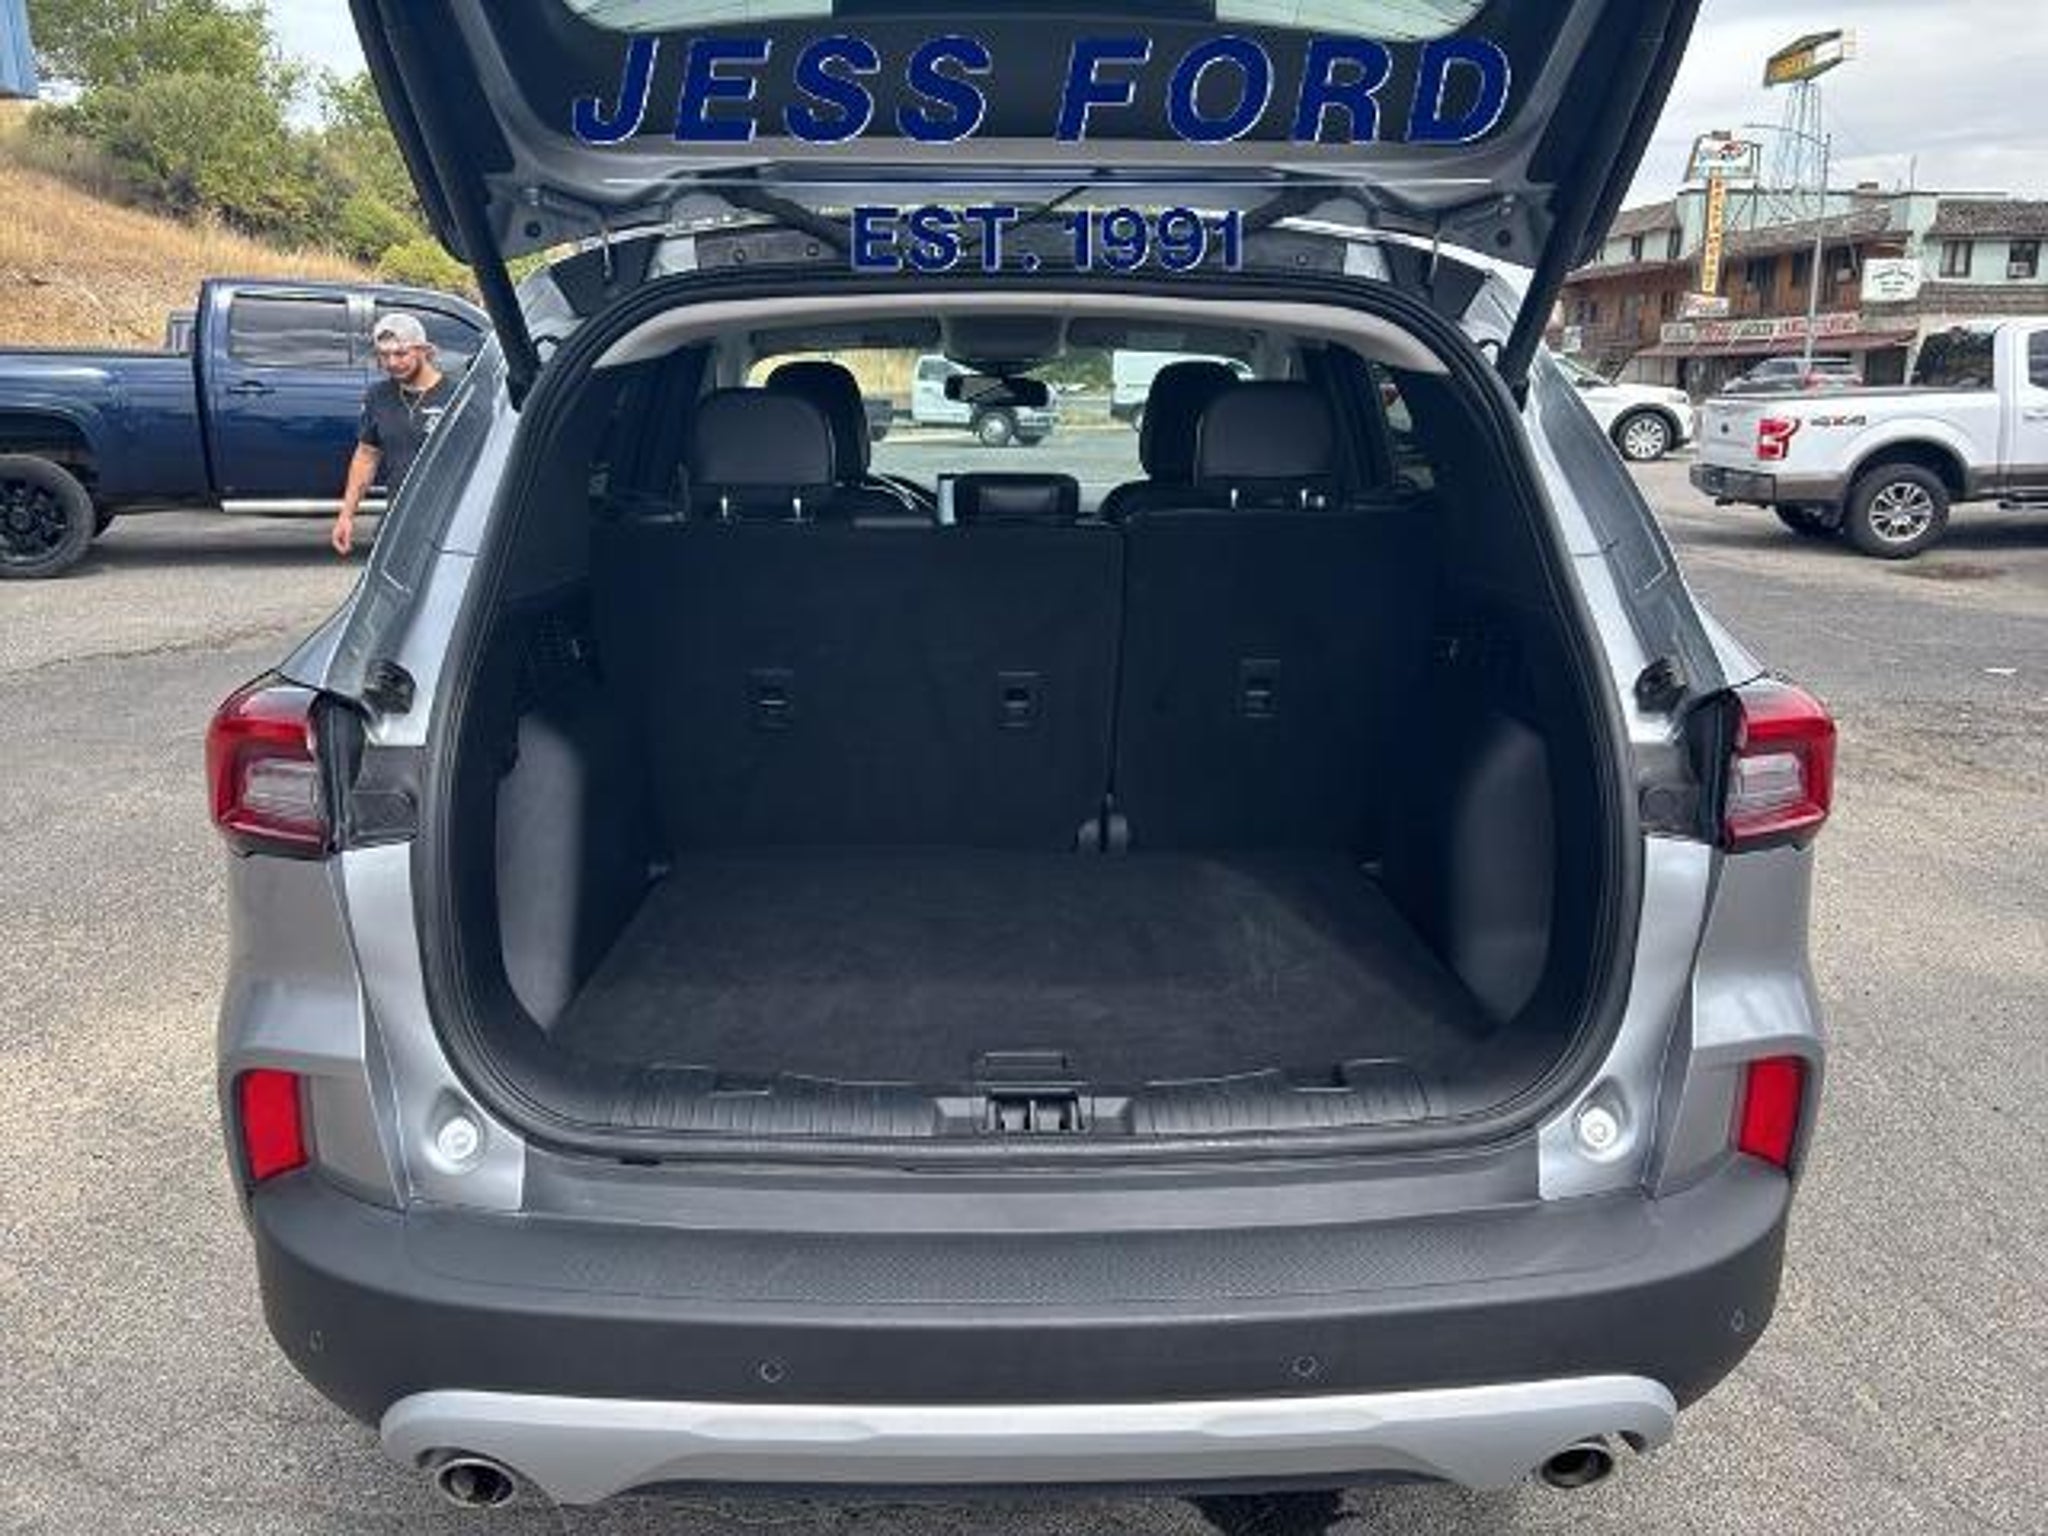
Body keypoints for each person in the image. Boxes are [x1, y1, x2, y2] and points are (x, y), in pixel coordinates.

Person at [331, 313, 456, 556]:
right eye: (384, 355)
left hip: (449, 524)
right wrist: (346, 516)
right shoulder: (378, 396)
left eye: (401, 354)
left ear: (423, 351)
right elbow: (366, 456)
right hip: (399, 522)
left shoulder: (458, 395)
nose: (392, 363)